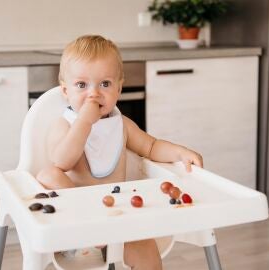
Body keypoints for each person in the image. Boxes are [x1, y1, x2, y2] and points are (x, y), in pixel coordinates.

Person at [36, 35, 203, 270]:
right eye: (82, 85)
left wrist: (179, 152)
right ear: (65, 90)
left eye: (104, 84)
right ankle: (94, 231)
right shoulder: (64, 125)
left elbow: (151, 146)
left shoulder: (121, 124)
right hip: (76, 227)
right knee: (48, 174)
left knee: (147, 249)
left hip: (117, 219)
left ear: (119, 88)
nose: (93, 94)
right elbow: (62, 161)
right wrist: (84, 122)